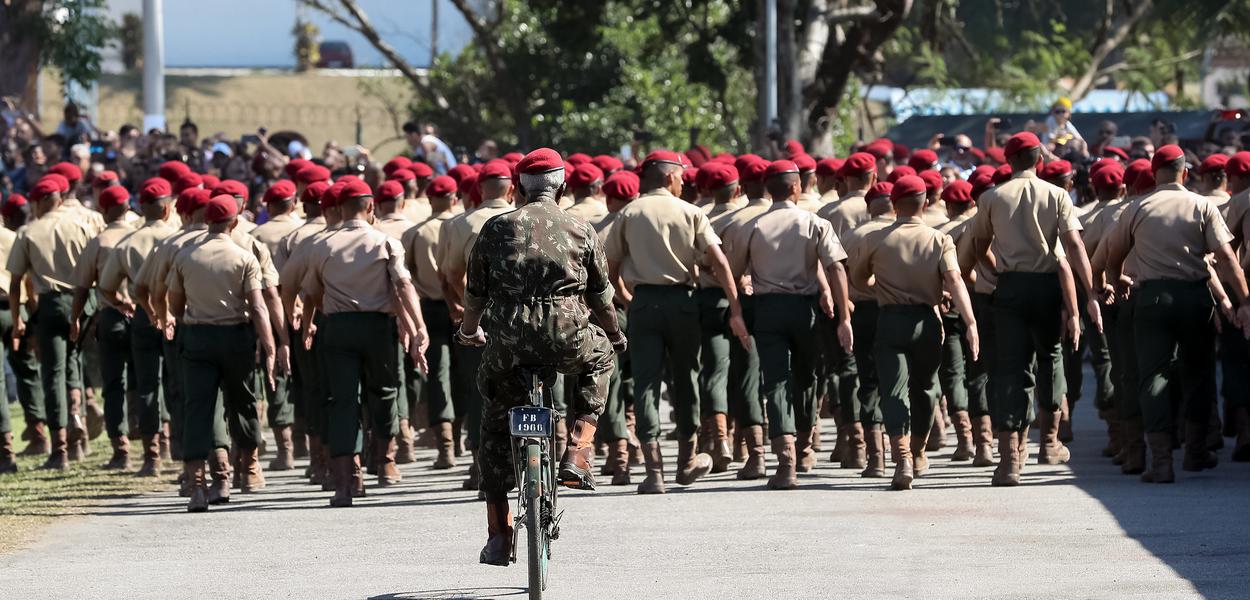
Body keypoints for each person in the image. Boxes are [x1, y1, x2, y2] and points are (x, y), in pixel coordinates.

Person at [455, 148, 624, 566]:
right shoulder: (581, 228)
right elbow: (602, 297)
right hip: (567, 334)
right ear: (563, 188)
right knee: (600, 358)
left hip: (507, 340)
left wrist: (468, 330)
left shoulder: (495, 228)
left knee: (494, 426)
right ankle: (578, 450)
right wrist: (615, 335)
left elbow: (475, 292)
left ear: (516, 190)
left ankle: (498, 535)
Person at [605, 150, 749, 495]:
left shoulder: (628, 212)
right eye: (681, 175)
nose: (684, 180)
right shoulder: (691, 212)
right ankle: (686, 460)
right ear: (670, 177)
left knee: (645, 383)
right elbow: (719, 263)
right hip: (682, 303)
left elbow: (609, 268)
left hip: (643, 305)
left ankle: (654, 471)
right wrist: (736, 308)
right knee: (687, 378)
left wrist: (626, 298)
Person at [1102, 145, 1250, 483]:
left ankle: (1161, 461)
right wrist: (1243, 301)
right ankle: (1196, 452)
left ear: (1154, 173)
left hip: (1152, 299)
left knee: (1153, 376)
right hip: (1195, 296)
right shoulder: (1201, 205)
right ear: (1186, 172)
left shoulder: (1138, 207)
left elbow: (1113, 255)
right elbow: (1226, 258)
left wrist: (1117, 281)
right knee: (1198, 373)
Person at [962, 132, 1099, 487]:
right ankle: (1049, 444)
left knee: (1011, 368)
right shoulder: (1056, 195)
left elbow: (975, 245)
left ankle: (1009, 460)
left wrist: (993, 269)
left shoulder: (992, 197)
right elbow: (1073, 246)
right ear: (1040, 160)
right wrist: (1090, 293)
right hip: (1047, 285)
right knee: (1051, 357)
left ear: (1008, 161)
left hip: (1009, 286)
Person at [301, 179, 429, 507]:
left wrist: (308, 325)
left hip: (338, 328)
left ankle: (346, 480)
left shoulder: (322, 245)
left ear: (340, 210)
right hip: (377, 327)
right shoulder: (385, 243)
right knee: (384, 391)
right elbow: (402, 287)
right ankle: (385, 463)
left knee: (342, 400)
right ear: (371, 207)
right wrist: (418, 327)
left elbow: (311, 294)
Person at [727, 160, 853, 489]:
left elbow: (733, 272)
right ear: (797, 187)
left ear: (769, 189)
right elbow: (837, 268)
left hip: (768, 310)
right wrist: (844, 316)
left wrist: (737, 311)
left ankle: (785, 462)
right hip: (805, 310)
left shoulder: (751, 226)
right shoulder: (815, 223)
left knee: (776, 382)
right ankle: (806, 447)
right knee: (807, 379)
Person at [851, 175, 978, 490]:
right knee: (925, 389)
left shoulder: (875, 239)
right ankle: (918, 451)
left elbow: (857, 279)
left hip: (890, 319)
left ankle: (903, 456)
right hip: (927, 321)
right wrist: (970, 322)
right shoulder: (939, 239)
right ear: (927, 203)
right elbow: (955, 280)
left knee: (892, 390)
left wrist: (881, 287)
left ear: (894, 205)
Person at [166, 195, 277, 512]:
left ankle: (198, 487)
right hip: (235, 336)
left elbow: (175, 304)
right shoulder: (244, 258)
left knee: (198, 407)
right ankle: (248, 470)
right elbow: (257, 306)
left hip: (198, 336)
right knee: (242, 402)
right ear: (234, 222)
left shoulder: (186, 256)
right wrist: (268, 346)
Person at [7, 175, 95, 470]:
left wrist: (19, 318)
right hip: (83, 300)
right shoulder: (81, 225)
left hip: (52, 303)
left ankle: (60, 448)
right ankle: (78, 427)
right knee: (74, 363)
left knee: (53, 372)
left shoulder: (30, 232)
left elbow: (17, 280)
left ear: (43, 201)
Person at [438, 160, 516, 491]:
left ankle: (481, 466)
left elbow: (451, 275)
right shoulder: (524, 218)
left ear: (479, 188)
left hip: (480, 318)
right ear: (512, 188)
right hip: (521, 317)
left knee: (480, 391)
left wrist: (469, 305)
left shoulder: (461, 224)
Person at [97, 177, 180, 478]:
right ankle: (179, 449)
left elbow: (105, 287)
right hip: (177, 315)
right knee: (179, 381)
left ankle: (152, 456)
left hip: (144, 316)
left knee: (147, 385)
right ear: (168, 209)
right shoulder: (179, 237)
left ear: (142, 209)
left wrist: (123, 304)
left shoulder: (127, 242)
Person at [68, 185, 134, 470]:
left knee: (113, 383)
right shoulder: (141, 236)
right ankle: (161, 445)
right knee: (150, 381)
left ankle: (121, 449)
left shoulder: (98, 242)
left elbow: (82, 288)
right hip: (144, 315)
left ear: (104, 210)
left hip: (111, 317)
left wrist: (75, 318)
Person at [401, 174, 462, 470]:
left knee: (437, 375)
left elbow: (406, 277)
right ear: (454, 198)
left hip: (430, 309)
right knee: (468, 373)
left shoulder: (416, 233)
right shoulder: (464, 225)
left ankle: (446, 446)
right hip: (465, 306)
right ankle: (465, 440)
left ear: (429, 200)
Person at [248, 179, 304, 470]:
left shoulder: (255, 234)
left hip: (271, 310)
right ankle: (310, 439)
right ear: (294, 203)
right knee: (310, 374)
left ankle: (286, 449)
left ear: (268, 207)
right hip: (310, 310)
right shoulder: (307, 230)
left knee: (276, 375)